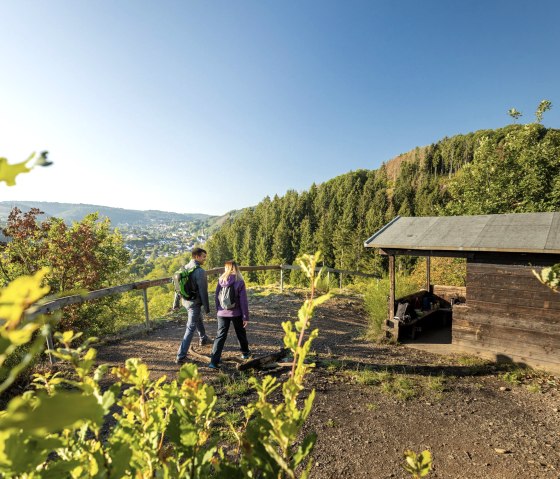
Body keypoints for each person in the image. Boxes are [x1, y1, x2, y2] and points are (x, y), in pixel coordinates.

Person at [208, 260, 250, 369]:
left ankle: (213, 362)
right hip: (236, 313)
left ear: (226, 268)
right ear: (236, 268)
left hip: (221, 313)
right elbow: (243, 301)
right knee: (240, 333)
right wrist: (245, 316)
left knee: (220, 336)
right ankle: (245, 353)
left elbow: (216, 296)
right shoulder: (239, 281)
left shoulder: (221, 280)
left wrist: (218, 309)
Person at [175, 247, 211, 365]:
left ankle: (203, 338)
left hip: (185, 301)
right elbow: (203, 291)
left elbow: (177, 287)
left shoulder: (184, 268)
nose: (205, 259)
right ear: (197, 256)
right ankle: (181, 356)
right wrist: (207, 307)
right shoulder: (200, 271)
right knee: (190, 327)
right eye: (203, 257)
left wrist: (176, 303)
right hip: (194, 303)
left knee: (197, 318)